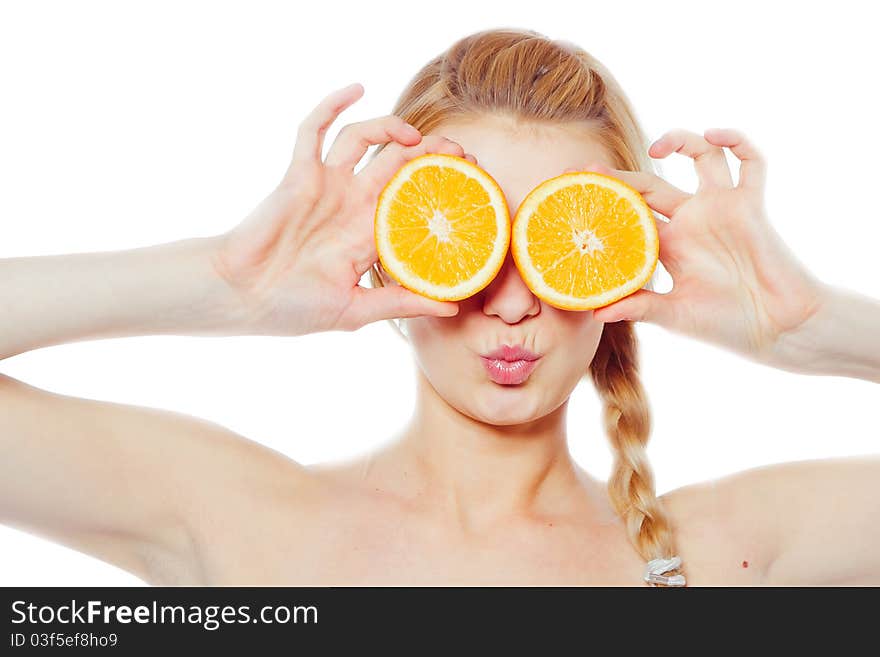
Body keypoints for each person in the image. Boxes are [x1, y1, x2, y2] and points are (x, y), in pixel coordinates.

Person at [1, 27, 878, 587]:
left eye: (554, 240)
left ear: (623, 256)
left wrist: (809, 328)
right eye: (472, 238)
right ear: (391, 244)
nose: (510, 300)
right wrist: (229, 286)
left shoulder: (728, 549)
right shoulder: (236, 517)